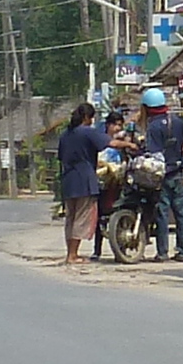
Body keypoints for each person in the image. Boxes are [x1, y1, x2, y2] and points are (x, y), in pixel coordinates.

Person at [139, 89, 183, 260]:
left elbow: (153, 153)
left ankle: (162, 252)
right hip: (178, 172)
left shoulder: (153, 126)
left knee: (162, 212)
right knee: (181, 212)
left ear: (148, 107)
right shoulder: (177, 122)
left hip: (162, 174)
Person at [54, 100, 105, 262]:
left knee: (71, 218)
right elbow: (110, 143)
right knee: (81, 218)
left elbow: (61, 157)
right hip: (84, 181)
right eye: (91, 118)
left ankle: (70, 252)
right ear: (86, 117)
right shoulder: (87, 132)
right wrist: (129, 144)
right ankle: (72, 255)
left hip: (68, 180)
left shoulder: (65, 135)